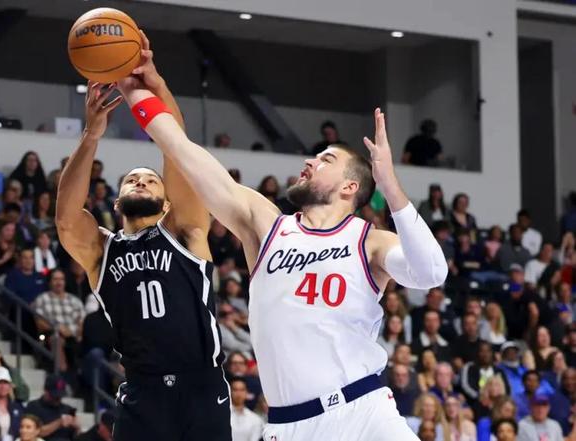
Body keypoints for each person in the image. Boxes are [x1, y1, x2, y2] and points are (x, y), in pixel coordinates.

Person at [122, 55, 448, 439]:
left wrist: (390, 186)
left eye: (325, 159)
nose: (309, 161)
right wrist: (138, 90)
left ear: (350, 186)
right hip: (288, 425)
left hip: (362, 414)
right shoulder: (267, 226)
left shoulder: (369, 240)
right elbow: (183, 151)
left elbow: (431, 272)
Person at [56, 32, 230, 441]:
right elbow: (66, 219)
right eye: (132, 180)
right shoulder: (103, 250)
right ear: (117, 203)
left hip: (201, 386)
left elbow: (178, 151)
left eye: (151, 180)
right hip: (142, 391)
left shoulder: (185, 231)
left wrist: (157, 85)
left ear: (168, 203)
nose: (140, 180)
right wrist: (91, 134)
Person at [33, 269, 85, 375]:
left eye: (61, 279)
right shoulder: (42, 299)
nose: (59, 282)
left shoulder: (75, 300)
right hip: (52, 335)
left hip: (74, 337)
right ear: (50, 282)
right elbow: (40, 323)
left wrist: (70, 331)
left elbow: (82, 323)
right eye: (55, 279)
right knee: (57, 339)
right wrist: (58, 328)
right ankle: (62, 374)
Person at [24, 375, 79, 441]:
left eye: (60, 396)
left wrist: (77, 428)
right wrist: (59, 423)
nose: (57, 399)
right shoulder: (33, 406)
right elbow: (34, 433)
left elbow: (76, 437)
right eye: (54, 396)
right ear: (45, 391)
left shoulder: (68, 409)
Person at [460, 342, 510, 411]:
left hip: (498, 405)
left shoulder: (498, 371)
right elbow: (466, 386)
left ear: (492, 353)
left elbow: (506, 388)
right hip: (476, 404)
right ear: (477, 353)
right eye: (482, 351)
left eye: (488, 351)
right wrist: (480, 397)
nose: (485, 354)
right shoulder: (470, 368)